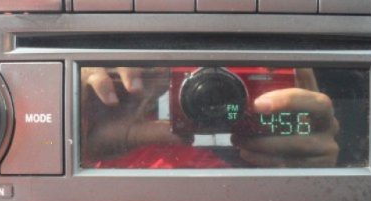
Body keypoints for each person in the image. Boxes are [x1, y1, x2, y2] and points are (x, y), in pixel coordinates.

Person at [80, 67, 340, 168]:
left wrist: (308, 175)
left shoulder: (257, 153)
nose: (213, 90)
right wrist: (75, 137)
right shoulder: (106, 114)